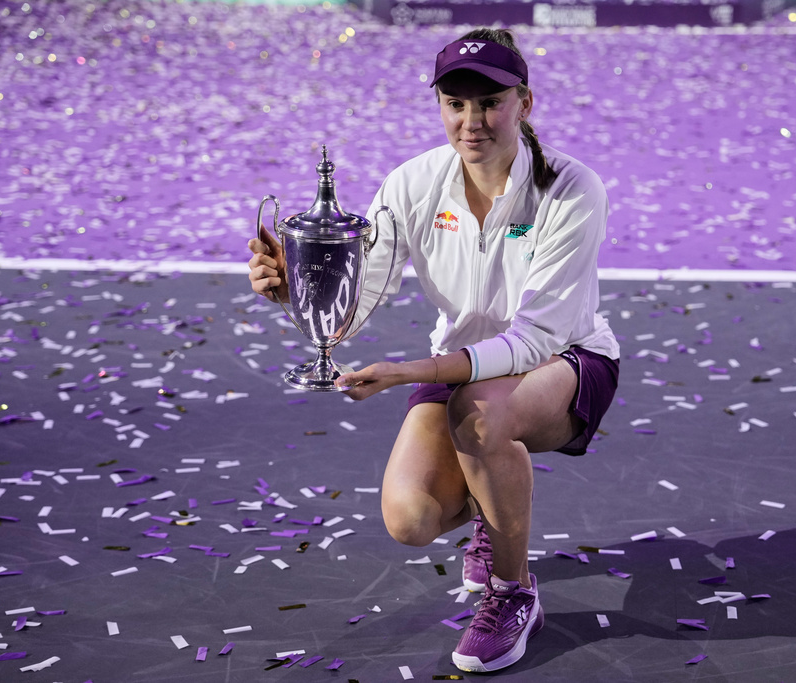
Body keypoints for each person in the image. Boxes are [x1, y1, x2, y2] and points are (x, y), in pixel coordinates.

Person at [248, 27, 620, 674]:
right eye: (455, 103)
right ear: (440, 105)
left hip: (566, 361)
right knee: (411, 517)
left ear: (524, 103)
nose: (471, 121)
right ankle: (488, 498)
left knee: (480, 415)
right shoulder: (411, 184)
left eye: (490, 102)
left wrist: (407, 372)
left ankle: (512, 592)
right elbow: (358, 302)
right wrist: (299, 290)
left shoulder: (570, 187)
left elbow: (535, 337)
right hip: (463, 367)